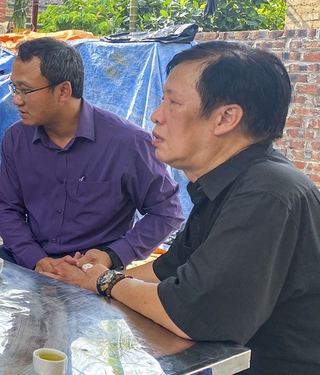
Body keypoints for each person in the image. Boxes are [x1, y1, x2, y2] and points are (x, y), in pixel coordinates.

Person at [50, 41, 320, 374]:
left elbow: (191, 312)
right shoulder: (225, 184)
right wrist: (86, 276)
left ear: (225, 118)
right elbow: (168, 271)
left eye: (173, 101)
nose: (156, 115)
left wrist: (104, 282)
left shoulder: (268, 192)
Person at [0, 38, 183, 273]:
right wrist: (35, 258)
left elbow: (166, 212)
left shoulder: (127, 143)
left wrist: (111, 256)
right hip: (29, 262)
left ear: (63, 91)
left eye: (26, 90)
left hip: (92, 273)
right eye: (15, 88)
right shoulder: (17, 138)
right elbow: (6, 208)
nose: (16, 99)